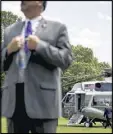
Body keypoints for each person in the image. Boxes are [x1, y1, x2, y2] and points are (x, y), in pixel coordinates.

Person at [1, 1, 72, 133]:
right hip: (14, 102)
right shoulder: (9, 31)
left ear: (40, 3)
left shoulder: (58, 28)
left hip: (43, 103)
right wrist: (8, 50)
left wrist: (40, 46)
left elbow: (66, 59)